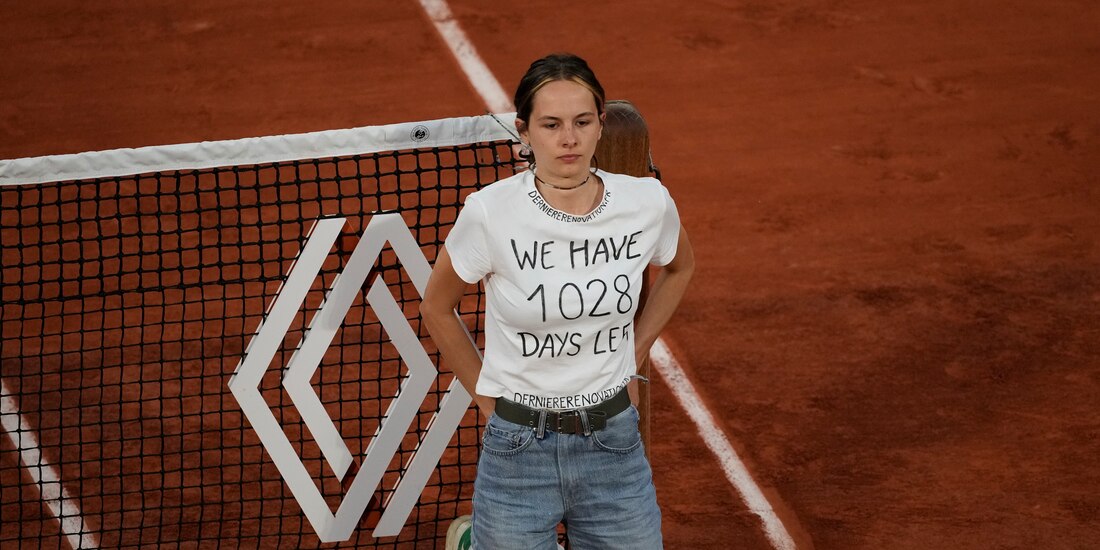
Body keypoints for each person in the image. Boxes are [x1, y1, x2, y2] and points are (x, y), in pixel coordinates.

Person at [421, 52, 694, 549]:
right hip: (518, 451)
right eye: (551, 125)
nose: (569, 138)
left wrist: (633, 355)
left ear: (601, 125)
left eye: (582, 122)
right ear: (524, 132)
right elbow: (437, 307)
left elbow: (680, 268)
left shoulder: (647, 202)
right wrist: (487, 400)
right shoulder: (490, 213)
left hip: (614, 445)